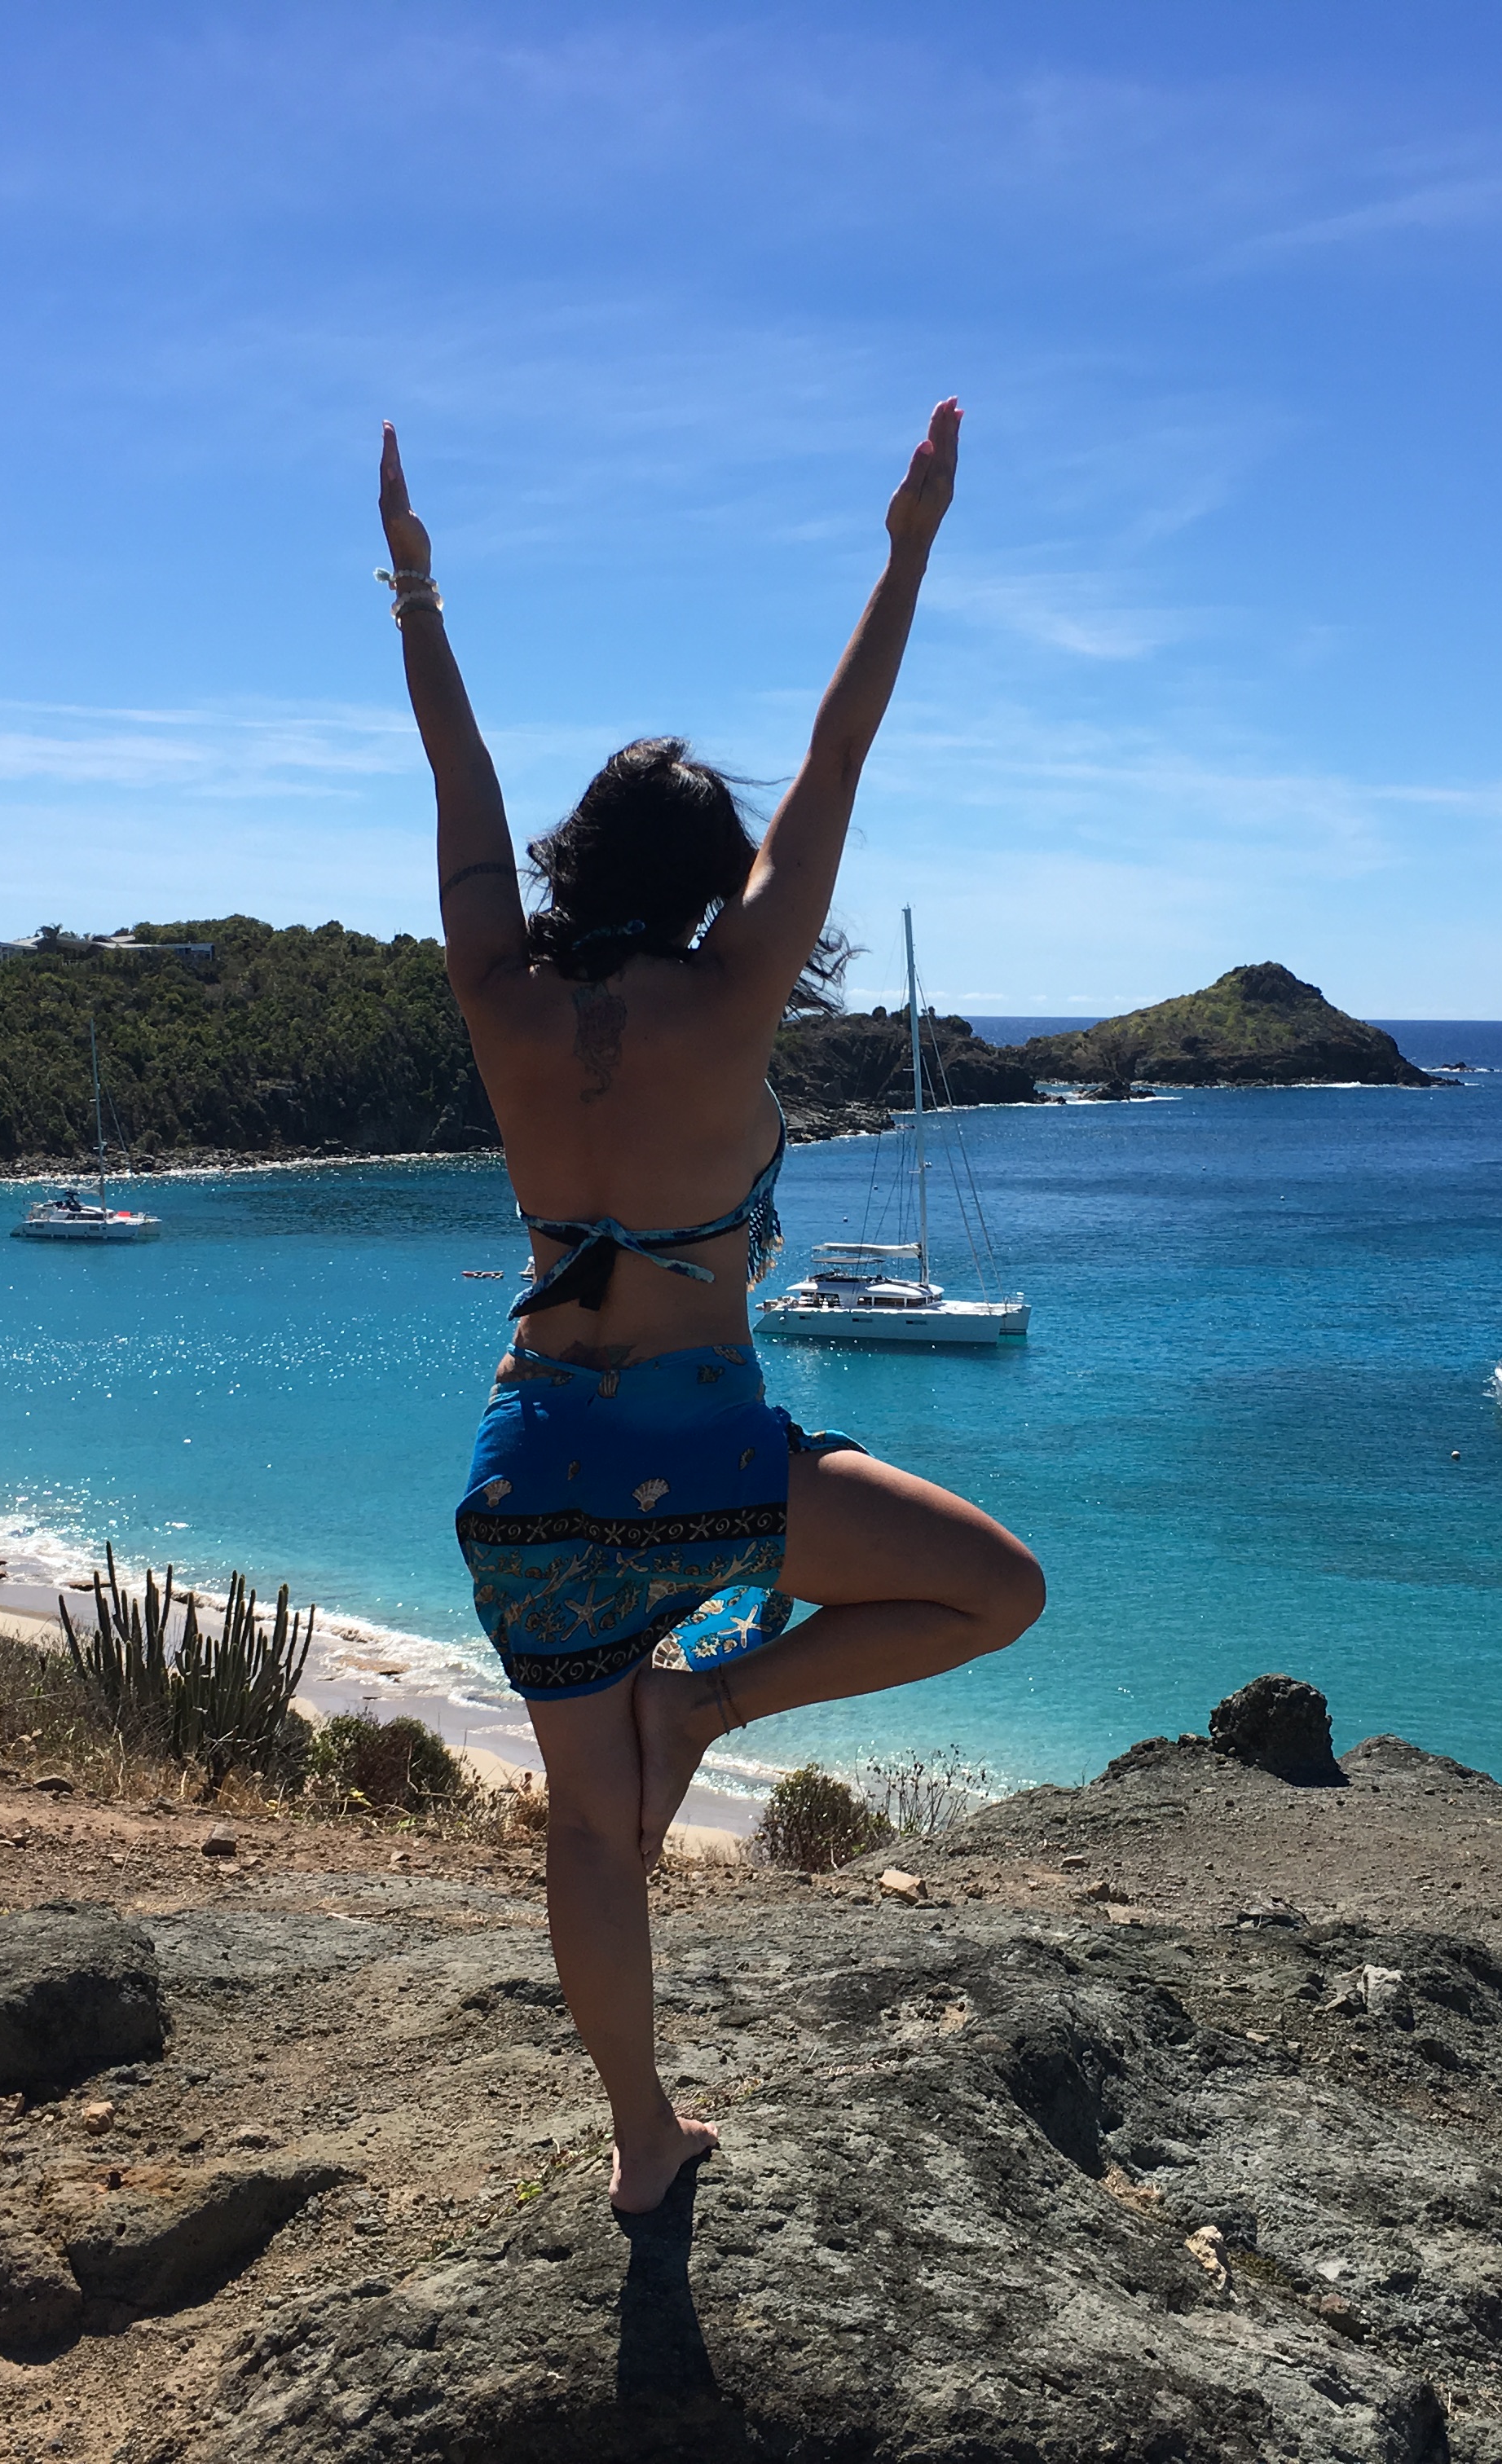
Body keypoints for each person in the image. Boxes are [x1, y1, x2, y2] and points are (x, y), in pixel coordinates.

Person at [381, 402, 1043, 2216]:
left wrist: (418, 598)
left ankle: (642, 2147)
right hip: (715, 1460)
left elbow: (462, 791)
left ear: (579, 867)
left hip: (532, 1475)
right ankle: (721, 1707)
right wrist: (906, 554)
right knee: (997, 1588)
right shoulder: (738, 988)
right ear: (716, 881)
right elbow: (844, 751)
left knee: (590, 1842)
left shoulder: (498, 989)